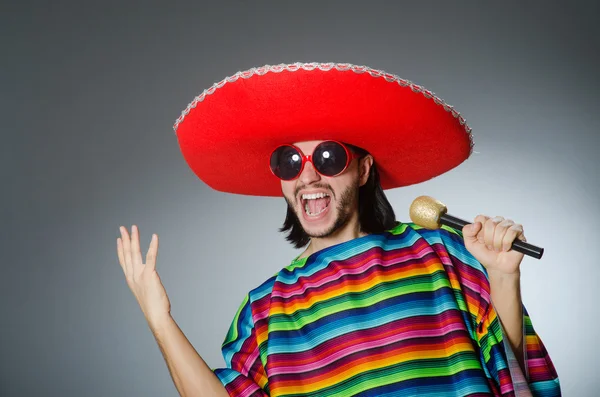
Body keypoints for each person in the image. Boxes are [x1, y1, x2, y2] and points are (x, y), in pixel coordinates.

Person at [116, 63, 561, 396]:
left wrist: (504, 276)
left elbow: (513, 374)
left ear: (364, 169)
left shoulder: (440, 252)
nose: (308, 177)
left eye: (329, 158)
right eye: (289, 162)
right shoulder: (267, 309)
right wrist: (160, 321)